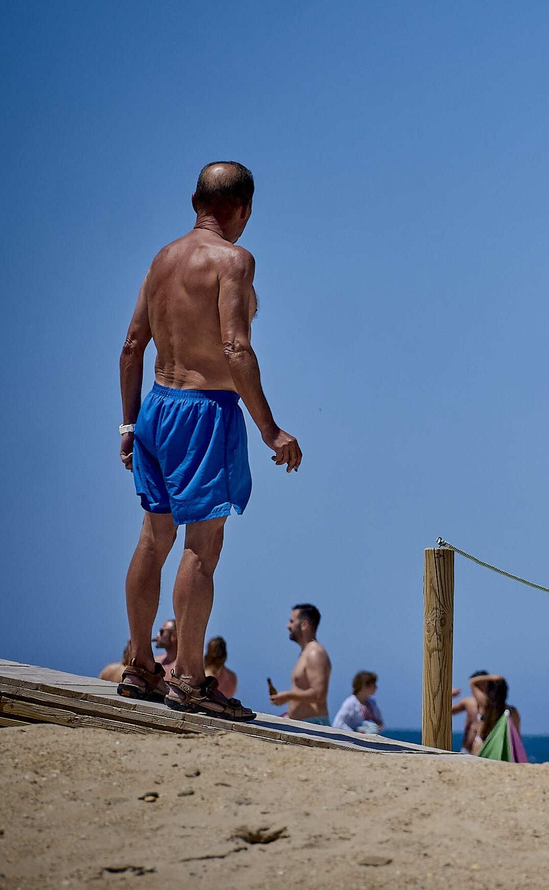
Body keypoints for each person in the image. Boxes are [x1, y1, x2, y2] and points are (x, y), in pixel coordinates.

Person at [115, 161, 301, 722]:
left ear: (195, 199)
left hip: (156, 406)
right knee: (203, 542)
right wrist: (271, 429)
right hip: (205, 411)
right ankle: (190, 679)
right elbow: (236, 350)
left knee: (153, 537)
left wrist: (128, 426)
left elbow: (130, 347)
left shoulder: (162, 259)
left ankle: (140, 664)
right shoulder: (234, 261)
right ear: (243, 209)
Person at [270, 604, 330, 723]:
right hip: (305, 724)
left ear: (304, 625)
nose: (288, 626)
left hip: (314, 726)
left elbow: (319, 694)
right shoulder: (306, 653)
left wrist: (288, 696)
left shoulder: (315, 653)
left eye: (292, 621)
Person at [468, 673, 525, 761]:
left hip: (482, 744)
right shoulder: (512, 712)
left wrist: (491, 678)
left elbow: (472, 682)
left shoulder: (485, 705)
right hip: (502, 748)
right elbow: (517, 736)